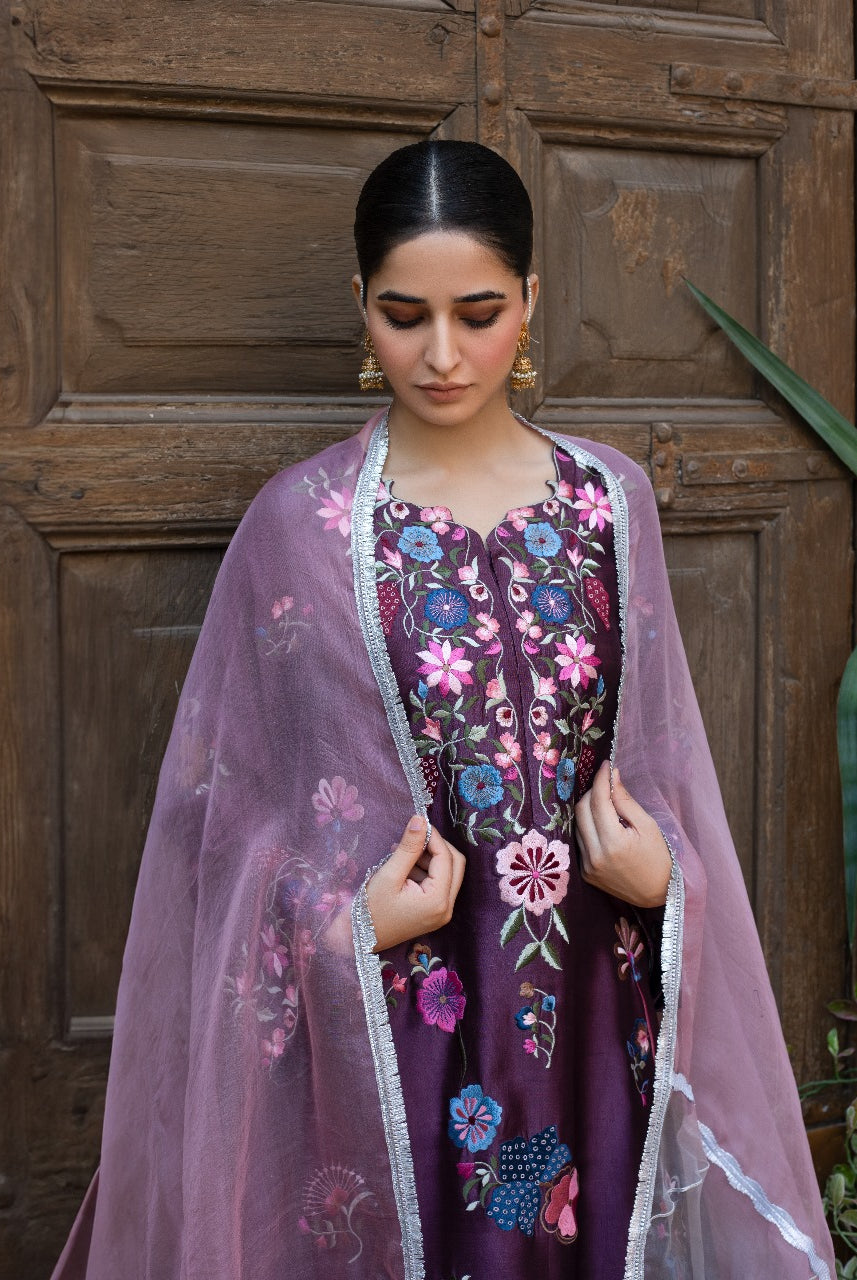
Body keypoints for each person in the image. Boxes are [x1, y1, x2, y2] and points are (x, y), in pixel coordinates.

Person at [52, 140, 833, 1280]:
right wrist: (341, 921)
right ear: (357, 308)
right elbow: (220, 829)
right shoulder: (303, 523)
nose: (441, 353)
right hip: (403, 1014)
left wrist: (669, 882)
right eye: (401, 314)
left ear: (531, 299)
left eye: (478, 312)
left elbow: (663, 765)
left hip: (591, 994)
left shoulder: (609, 502)